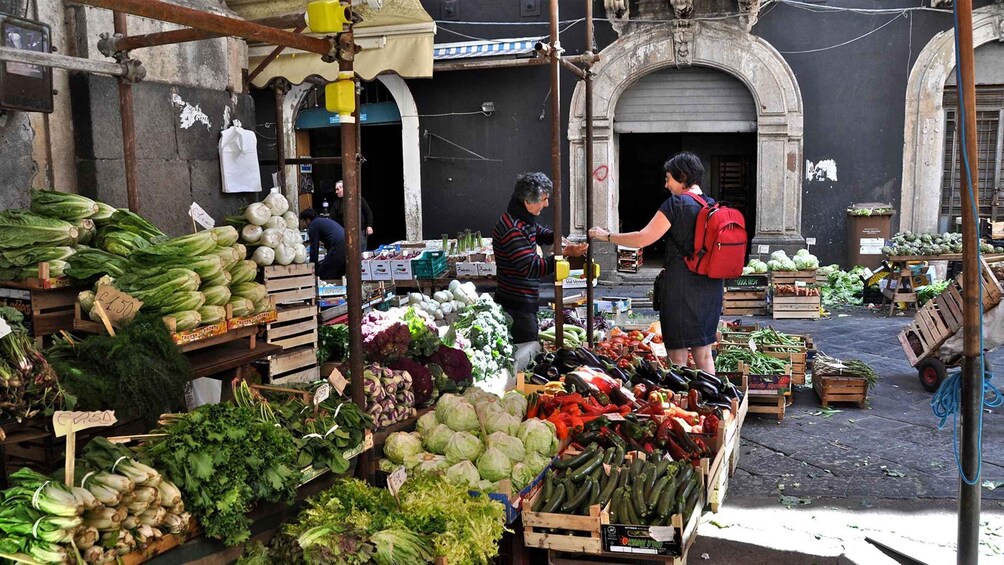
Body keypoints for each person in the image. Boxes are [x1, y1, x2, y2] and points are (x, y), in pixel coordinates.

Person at [589, 152, 722, 374]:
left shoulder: (676, 204)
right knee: (704, 351)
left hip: (681, 286)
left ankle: (683, 401)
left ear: (682, 176)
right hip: (710, 286)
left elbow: (643, 238)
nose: (666, 184)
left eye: (669, 178)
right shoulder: (710, 204)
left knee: (677, 352)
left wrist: (607, 236)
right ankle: (713, 402)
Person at [493, 172, 588, 348]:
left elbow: (536, 231)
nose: (546, 204)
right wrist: (565, 253)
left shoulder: (521, 217)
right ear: (527, 201)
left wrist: (554, 237)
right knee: (526, 348)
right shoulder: (512, 229)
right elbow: (533, 268)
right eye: (543, 199)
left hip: (524, 301)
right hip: (516, 306)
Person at [299, 208, 346, 281]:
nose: (302, 224)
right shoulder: (321, 221)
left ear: (308, 220)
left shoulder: (313, 226)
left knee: (324, 273)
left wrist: (313, 267)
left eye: (303, 221)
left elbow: (314, 249)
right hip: (345, 243)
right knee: (337, 271)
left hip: (338, 245)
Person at [331, 180, 374, 251]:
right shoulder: (337, 204)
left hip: (360, 230)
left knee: (361, 252)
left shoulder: (358, 199)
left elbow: (368, 212)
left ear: (344, 188)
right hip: (344, 232)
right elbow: (332, 219)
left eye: (338, 189)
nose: (336, 192)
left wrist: (369, 225)